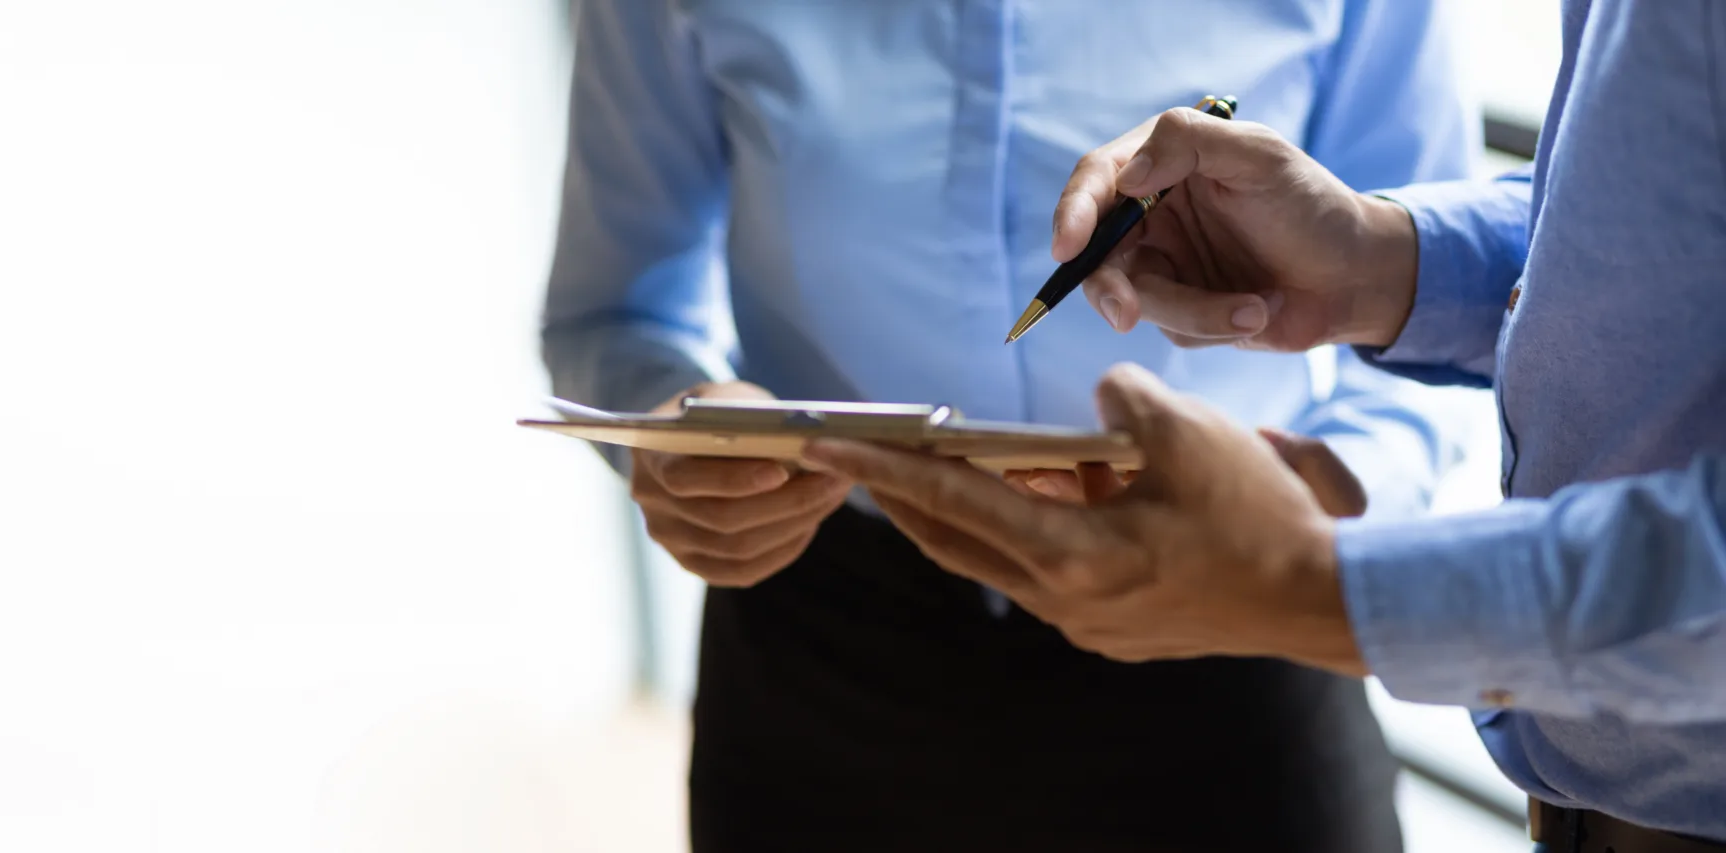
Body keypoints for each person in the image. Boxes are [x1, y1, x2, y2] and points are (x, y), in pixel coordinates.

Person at [543, 2, 1477, 850]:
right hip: (819, 646)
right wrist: (679, 431)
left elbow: (1437, 294)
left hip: (1235, 625)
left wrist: (1338, 494)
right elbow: (614, 313)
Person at [799, 2, 1726, 851]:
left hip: (1248, 661)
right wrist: (1378, 261)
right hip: (832, 648)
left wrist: (1316, 574)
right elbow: (1648, 244)